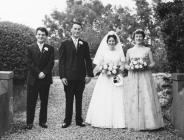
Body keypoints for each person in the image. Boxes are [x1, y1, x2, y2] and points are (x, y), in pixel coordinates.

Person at [125, 29, 164, 130]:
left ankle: (149, 123)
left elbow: (153, 63)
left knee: (146, 96)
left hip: (144, 76)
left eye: (140, 36)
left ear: (143, 38)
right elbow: (125, 64)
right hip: (133, 76)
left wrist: (145, 66)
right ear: (133, 38)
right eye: (136, 36)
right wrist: (131, 67)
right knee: (134, 96)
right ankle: (134, 123)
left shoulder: (147, 50)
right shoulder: (129, 51)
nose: (138, 38)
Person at [85, 31, 126, 128]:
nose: (111, 42)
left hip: (116, 77)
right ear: (107, 42)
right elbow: (99, 66)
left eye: (113, 41)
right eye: (110, 41)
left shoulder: (119, 52)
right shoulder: (103, 52)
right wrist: (102, 70)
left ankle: (118, 121)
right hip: (105, 78)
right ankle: (102, 119)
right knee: (103, 97)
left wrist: (116, 70)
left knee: (117, 97)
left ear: (115, 42)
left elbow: (123, 65)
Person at [59, 21, 94, 128]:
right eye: (75, 28)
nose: (77, 31)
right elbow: (61, 61)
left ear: (80, 30)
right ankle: (67, 121)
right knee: (69, 99)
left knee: (79, 99)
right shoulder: (64, 43)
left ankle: (79, 120)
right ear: (71, 30)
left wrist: (89, 75)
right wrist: (62, 76)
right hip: (68, 77)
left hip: (80, 77)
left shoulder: (84, 44)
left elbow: (88, 60)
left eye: (79, 29)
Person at [25, 27, 55, 129]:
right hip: (33, 79)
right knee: (31, 102)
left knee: (44, 101)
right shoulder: (30, 47)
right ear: (36, 35)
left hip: (45, 79)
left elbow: (51, 63)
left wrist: (44, 72)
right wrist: (39, 72)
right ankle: (29, 122)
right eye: (39, 34)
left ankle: (42, 121)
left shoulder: (50, 48)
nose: (40, 36)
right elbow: (29, 63)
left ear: (46, 36)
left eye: (43, 35)